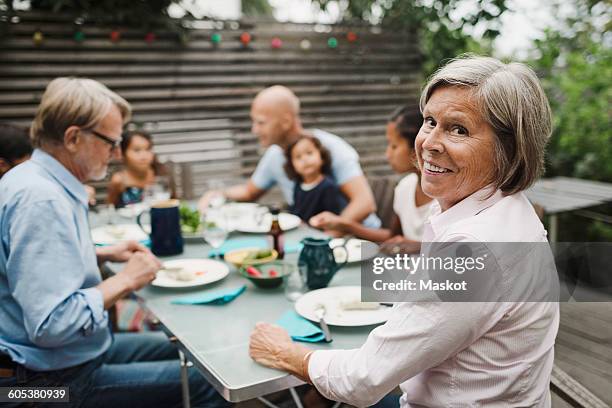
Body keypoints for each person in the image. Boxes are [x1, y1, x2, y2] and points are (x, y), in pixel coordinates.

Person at [249, 55, 560, 407]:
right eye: (430, 121)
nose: (429, 143)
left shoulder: (472, 250)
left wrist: (285, 353)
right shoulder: (505, 208)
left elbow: (360, 379)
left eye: (458, 129)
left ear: (510, 148)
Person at [0, 77, 227, 407]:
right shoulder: (41, 200)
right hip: (42, 385)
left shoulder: (34, 179)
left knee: (195, 346)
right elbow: (50, 324)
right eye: (111, 142)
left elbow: (33, 269)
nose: (117, 154)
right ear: (74, 138)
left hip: (70, 357)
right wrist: (126, 280)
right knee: (211, 382)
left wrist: (102, 254)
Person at [198, 85, 380, 229]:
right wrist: (218, 193)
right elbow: (249, 192)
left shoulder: (330, 147)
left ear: (285, 121)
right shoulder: (274, 155)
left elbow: (365, 204)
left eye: (261, 122)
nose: (254, 130)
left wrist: (329, 237)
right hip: (312, 236)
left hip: (358, 241)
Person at [305, 106, 434, 252]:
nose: (387, 154)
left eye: (394, 146)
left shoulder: (446, 199)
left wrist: (418, 247)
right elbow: (392, 237)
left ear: (418, 145)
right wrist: (345, 225)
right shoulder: (404, 188)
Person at [284, 133, 347, 222]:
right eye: (298, 157)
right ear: (292, 165)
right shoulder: (298, 184)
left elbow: (332, 216)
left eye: (309, 153)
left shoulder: (328, 186)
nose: (305, 159)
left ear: (322, 157)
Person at [107, 130, 174, 208]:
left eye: (148, 149)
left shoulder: (160, 174)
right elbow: (110, 209)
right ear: (123, 153)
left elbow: (173, 203)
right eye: (137, 150)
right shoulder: (119, 180)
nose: (144, 156)